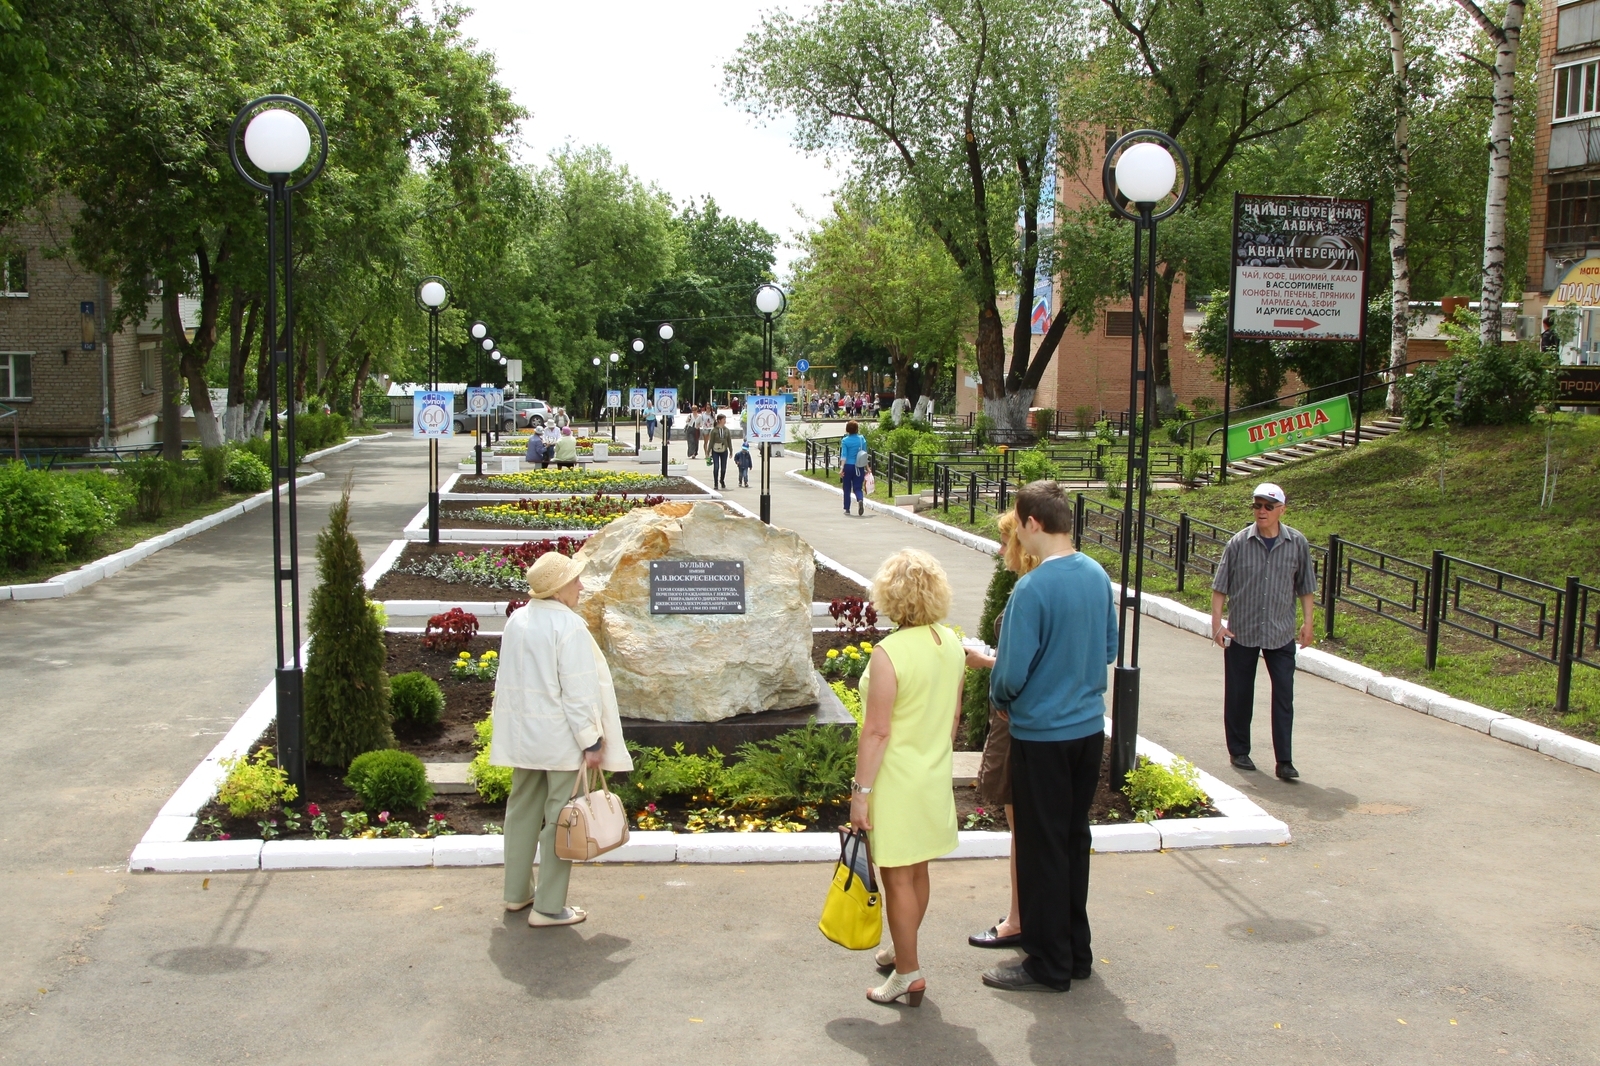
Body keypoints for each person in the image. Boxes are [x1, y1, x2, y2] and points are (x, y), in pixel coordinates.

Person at [983, 480, 1117, 994]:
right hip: (1087, 730)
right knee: (1072, 840)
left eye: (1018, 523)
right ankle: (1074, 952)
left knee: (1041, 849)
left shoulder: (1032, 589)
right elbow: (1107, 646)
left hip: (1042, 735)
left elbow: (1010, 674)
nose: (1017, 532)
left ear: (1033, 523)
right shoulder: (1096, 575)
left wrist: (1002, 697)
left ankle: (1047, 962)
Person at [492, 551, 632, 926]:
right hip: (560, 740)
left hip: (525, 740)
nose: (580, 586)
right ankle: (549, 908)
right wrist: (592, 742)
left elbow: (508, 683)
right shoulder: (568, 627)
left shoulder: (517, 621)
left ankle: (517, 894)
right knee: (560, 819)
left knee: (520, 812)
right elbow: (579, 692)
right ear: (558, 589)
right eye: (574, 581)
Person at [852, 548, 966, 1007]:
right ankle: (903, 951)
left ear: (889, 596)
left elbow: (877, 731)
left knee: (897, 876)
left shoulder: (889, 653)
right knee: (916, 872)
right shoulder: (950, 642)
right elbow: (954, 717)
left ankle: (908, 972)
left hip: (895, 779)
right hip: (932, 774)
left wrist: (860, 794)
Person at [962, 510, 1040, 952]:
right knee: (1023, 825)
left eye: (1005, 541)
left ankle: (1017, 919)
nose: (999, 550)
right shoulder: (1032, 589)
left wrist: (984, 663)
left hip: (1018, 722)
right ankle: (1022, 912)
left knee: (1021, 825)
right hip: (1028, 721)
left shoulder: (1028, 594)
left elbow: (1024, 668)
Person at [1210, 482, 1317, 781]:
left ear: (1282, 510)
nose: (1261, 511)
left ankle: (1285, 760)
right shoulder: (1238, 543)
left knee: (1284, 695)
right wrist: (1217, 624)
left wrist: (1308, 623)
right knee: (1239, 693)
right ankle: (1239, 751)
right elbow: (1220, 587)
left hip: (1280, 632)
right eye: (1257, 505)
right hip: (1243, 629)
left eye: (1268, 506)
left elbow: (1306, 588)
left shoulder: (1297, 543)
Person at [839, 420, 868, 516]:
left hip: (848, 466)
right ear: (857, 429)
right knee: (857, 487)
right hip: (859, 466)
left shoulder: (845, 441)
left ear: (847, 429)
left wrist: (841, 468)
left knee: (846, 488)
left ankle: (847, 508)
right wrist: (867, 467)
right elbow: (864, 454)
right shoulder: (861, 439)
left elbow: (844, 455)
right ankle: (860, 499)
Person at [706, 413, 734, 490]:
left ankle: (722, 480)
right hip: (715, 450)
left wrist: (731, 451)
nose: (725, 421)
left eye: (725, 419)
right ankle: (715, 483)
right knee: (716, 467)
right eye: (723, 419)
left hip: (724, 450)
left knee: (724, 468)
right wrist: (708, 452)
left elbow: (729, 441)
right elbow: (711, 442)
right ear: (719, 420)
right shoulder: (714, 430)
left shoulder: (726, 430)